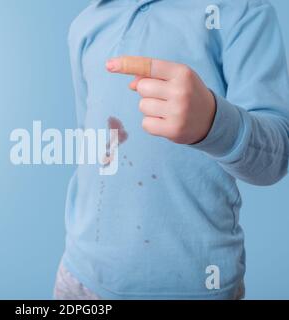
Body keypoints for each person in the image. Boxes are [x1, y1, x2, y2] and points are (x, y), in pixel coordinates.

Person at [54, 0, 289, 300]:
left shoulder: (242, 11)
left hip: (194, 288)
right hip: (78, 277)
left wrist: (214, 123)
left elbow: (277, 156)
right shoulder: (85, 23)